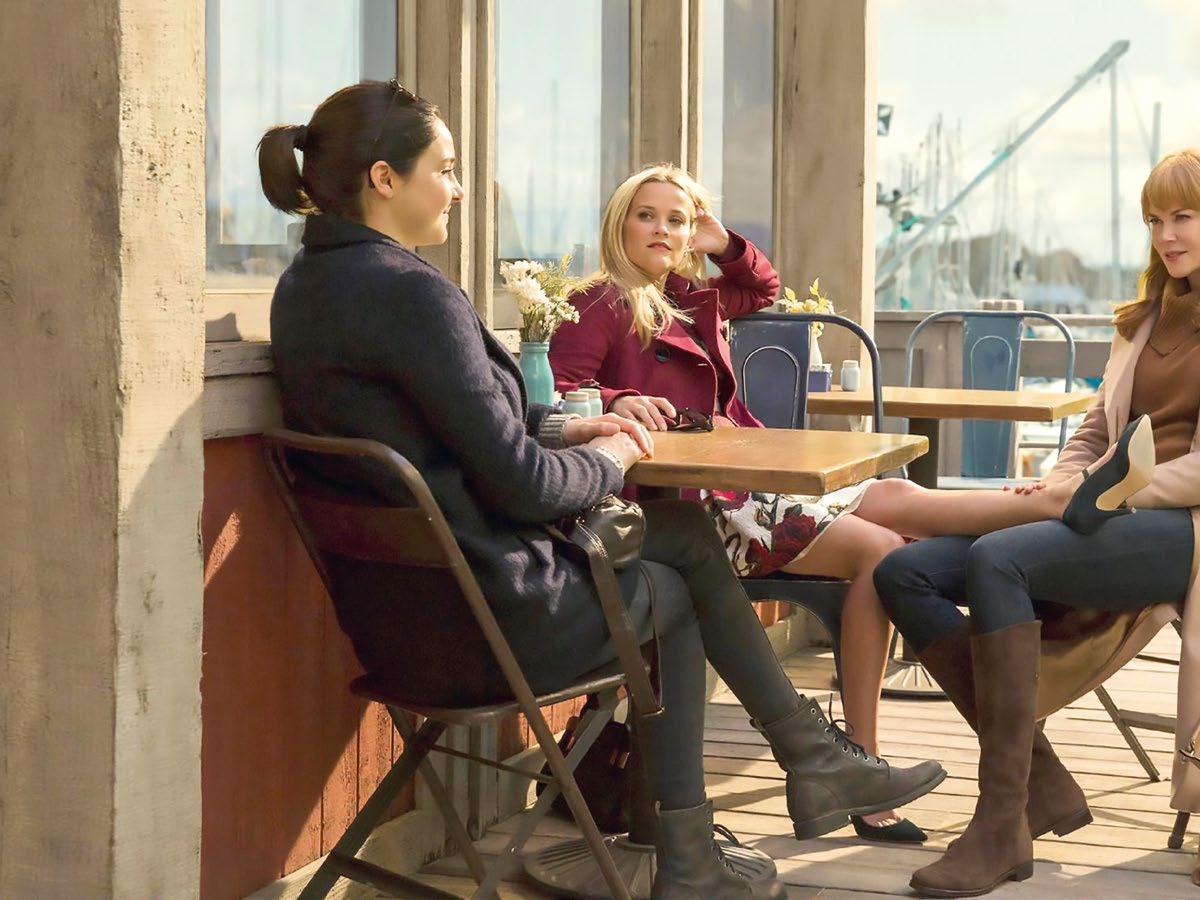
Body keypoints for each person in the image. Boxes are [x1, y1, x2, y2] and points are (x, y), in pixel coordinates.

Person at [257, 81, 947, 900]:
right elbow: (522, 487)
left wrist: (566, 424)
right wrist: (613, 457)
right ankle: (725, 825)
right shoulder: (410, 293)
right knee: (677, 582)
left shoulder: (310, 287)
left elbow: (451, 419)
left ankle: (788, 775)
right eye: (444, 169)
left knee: (681, 537)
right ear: (384, 179)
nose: (460, 188)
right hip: (492, 626)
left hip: (401, 621)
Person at [549, 163, 1143, 840]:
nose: (662, 229)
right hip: (686, 510)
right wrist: (620, 399)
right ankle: (1054, 507)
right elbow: (558, 394)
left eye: (677, 219)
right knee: (889, 524)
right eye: (647, 215)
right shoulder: (598, 301)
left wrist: (722, 242)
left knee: (889, 528)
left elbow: (761, 286)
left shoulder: (684, 296)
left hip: (741, 489)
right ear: (619, 222)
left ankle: (859, 762)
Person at [875, 147, 1200, 897]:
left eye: (1181, 217)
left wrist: (1119, 495)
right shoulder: (1146, 317)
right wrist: (1063, 483)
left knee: (1000, 559)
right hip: (1105, 510)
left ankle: (1000, 821)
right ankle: (1038, 778)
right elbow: (1095, 430)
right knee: (903, 570)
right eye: (1153, 220)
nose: (1165, 235)